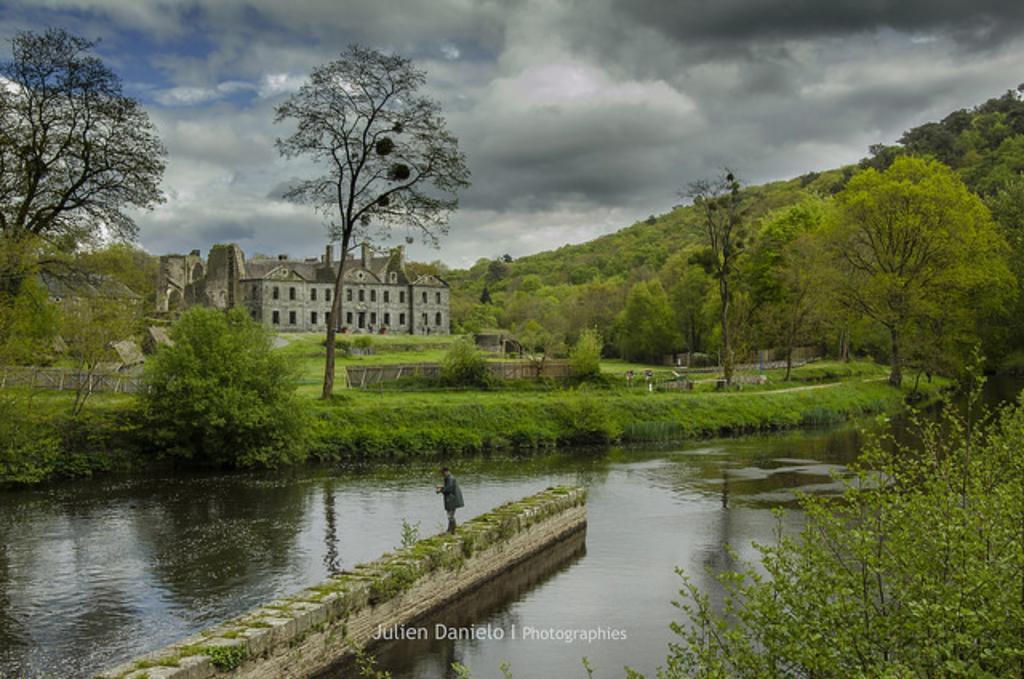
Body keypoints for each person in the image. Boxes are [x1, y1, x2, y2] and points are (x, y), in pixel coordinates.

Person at [435, 467, 464, 533]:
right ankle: (452, 530)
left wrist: (440, 490)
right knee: (451, 515)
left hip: (452, 500)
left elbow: (448, 489)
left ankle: (451, 530)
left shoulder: (450, 478)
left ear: (446, 471)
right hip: (453, 499)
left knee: (450, 515)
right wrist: (442, 486)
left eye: (442, 473)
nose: (442, 474)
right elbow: (449, 486)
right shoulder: (450, 478)